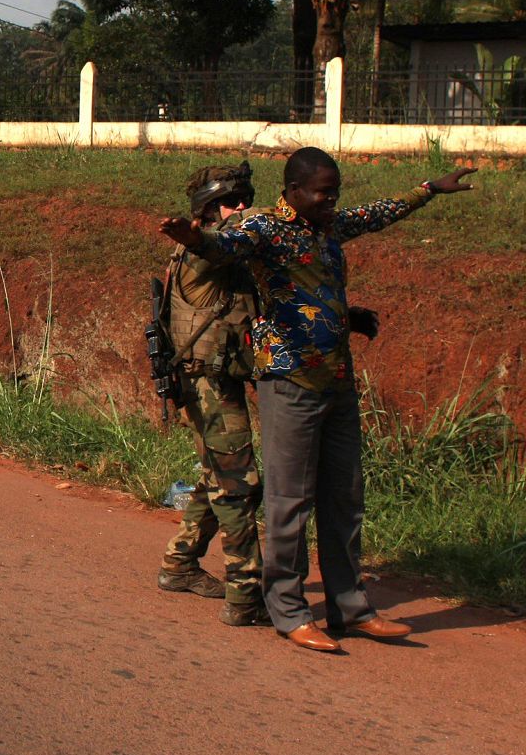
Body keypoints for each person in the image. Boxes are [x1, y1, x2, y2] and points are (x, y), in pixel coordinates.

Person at [160, 148, 476, 652]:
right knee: (290, 503)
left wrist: (429, 190)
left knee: (345, 500)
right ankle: (287, 610)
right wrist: (193, 236)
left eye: (336, 191)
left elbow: (376, 214)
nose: (333, 200)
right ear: (293, 190)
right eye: (323, 191)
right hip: (289, 381)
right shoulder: (265, 227)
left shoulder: (327, 227)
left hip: (337, 379)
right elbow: (222, 245)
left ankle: (350, 608)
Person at [155, 162, 267, 628]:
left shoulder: (222, 252)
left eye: (245, 199)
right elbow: (240, 232)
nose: (241, 210)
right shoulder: (203, 253)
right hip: (205, 386)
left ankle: (179, 563)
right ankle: (245, 596)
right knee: (239, 486)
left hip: (214, 382)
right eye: (230, 203)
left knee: (218, 477)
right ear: (205, 212)